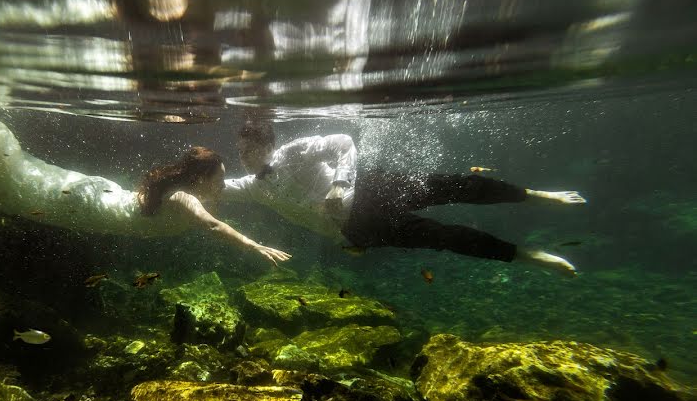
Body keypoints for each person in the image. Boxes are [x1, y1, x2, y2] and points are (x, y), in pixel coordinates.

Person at [0, 110, 291, 265]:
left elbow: (241, 193)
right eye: (218, 175)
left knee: (19, 179)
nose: (222, 180)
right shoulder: (184, 198)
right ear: (202, 179)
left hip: (97, 197)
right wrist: (256, 247)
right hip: (90, 206)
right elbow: (212, 227)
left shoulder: (186, 191)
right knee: (15, 188)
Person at [223, 119, 586, 276]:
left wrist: (340, 185)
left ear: (268, 145)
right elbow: (216, 189)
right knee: (444, 238)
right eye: (240, 153)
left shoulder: (294, 151)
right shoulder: (252, 187)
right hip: (360, 227)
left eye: (249, 151)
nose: (244, 158)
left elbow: (344, 144)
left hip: (371, 188)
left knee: (452, 185)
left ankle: (536, 196)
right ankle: (528, 257)